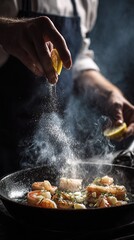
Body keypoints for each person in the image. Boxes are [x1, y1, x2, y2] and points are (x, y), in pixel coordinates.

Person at [0, 0, 133, 177]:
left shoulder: (86, 2)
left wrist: (109, 93)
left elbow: (77, 62)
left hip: (56, 146)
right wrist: (6, 29)